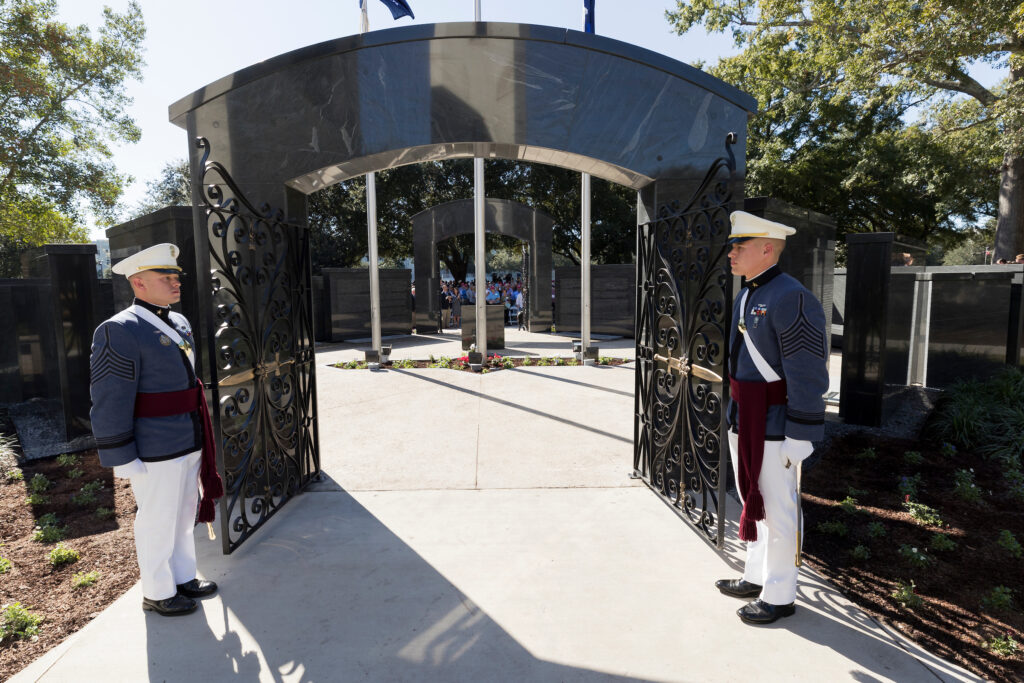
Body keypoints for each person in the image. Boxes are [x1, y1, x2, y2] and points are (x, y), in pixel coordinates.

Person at [89, 243, 223, 617]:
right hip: (152, 444)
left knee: (183, 514)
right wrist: (121, 455)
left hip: (187, 436)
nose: (174, 282)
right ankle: (157, 591)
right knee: (157, 519)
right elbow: (109, 396)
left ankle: (182, 577)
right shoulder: (118, 329)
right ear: (138, 283)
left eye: (175, 275)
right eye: (164, 277)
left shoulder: (179, 322)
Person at [715, 212, 829, 626]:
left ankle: (780, 594)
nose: (731, 253)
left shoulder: (790, 296)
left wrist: (802, 430)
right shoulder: (749, 294)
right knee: (752, 501)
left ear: (767, 249)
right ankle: (757, 575)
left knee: (779, 510)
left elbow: (808, 370)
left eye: (739, 247)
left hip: (777, 423)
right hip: (745, 417)